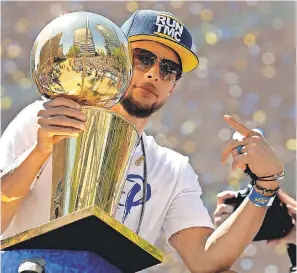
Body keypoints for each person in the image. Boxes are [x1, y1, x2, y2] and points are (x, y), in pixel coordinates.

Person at [1, 9, 285, 273]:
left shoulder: (172, 169)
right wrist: (40, 150)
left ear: (173, 86)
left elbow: (205, 260)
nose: (154, 74)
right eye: (143, 58)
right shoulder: (46, 118)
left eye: (169, 69)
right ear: (117, 60)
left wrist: (266, 184)